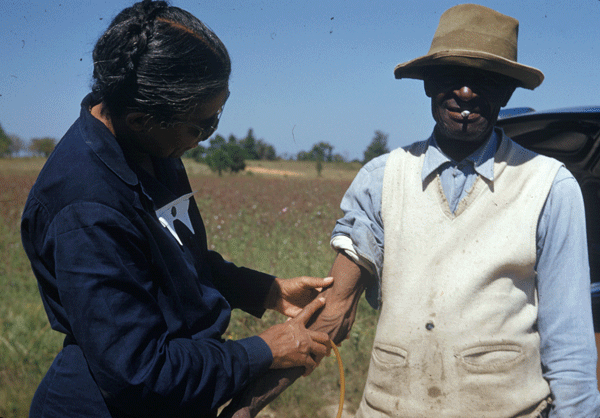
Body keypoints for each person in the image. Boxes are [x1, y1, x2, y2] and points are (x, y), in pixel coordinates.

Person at [222, 4, 600, 418]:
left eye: (485, 81)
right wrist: (246, 406)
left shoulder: (548, 185)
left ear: (507, 92)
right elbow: (335, 310)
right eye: (452, 77)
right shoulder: (381, 178)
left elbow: (570, 346)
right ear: (427, 83)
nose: (467, 94)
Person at [20, 1, 333, 417]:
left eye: (216, 118)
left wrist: (265, 290)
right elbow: (139, 372)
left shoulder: (151, 145)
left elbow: (174, 266)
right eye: (200, 125)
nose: (205, 136)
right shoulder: (87, 209)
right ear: (140, 119)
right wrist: (262, 351)